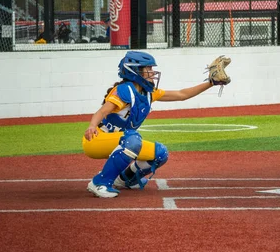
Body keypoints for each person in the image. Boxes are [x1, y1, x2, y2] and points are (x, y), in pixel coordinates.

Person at [82, 50, 225, 198]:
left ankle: (124, 180)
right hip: (96, 140)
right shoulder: (124, 91)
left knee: (160, 153)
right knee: (133, 139)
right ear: (135, 70)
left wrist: (211, 83)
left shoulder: (149, 92)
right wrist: (92, 125)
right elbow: (102, 112)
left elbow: (182, 94)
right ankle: (100, 182)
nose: (152, 72)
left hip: (123, 141)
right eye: (148, 69)